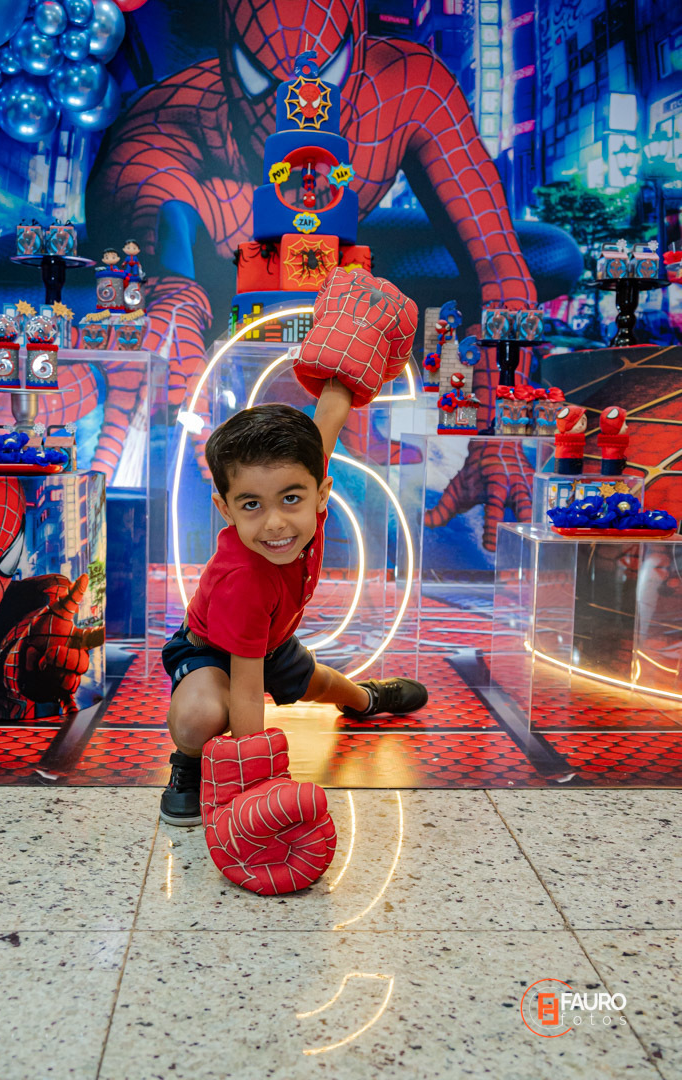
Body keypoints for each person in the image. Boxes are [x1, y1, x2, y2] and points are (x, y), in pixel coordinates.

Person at [160, 269, 428, 827]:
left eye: (290, 498)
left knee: (322, 684)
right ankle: (187, 764)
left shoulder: (305, 479)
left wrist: (354, 339)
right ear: (226, 509)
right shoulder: (244, 577)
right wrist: (252, 788)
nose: (276, 522)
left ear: (321, 490)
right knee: (203, 713)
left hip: (273, 638)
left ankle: (368, 700)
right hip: (212, 649)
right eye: (251, 505)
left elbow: (327, 416)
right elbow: (247, 692)